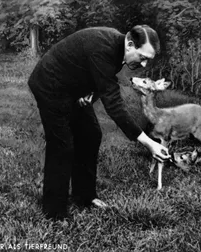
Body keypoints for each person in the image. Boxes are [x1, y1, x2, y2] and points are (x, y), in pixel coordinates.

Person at [28, 25, 171, 220]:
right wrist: (149, 143)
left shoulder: (118, 48)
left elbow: (98, 74)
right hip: (50, 86)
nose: (144, 65)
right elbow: (114, 105)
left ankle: (84, 197)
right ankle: (54, 211)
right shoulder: (105, 48)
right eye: (143, 57)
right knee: (62, 145)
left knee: (91, 135)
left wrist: (91, 92)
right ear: (130, 44)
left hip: (73, 88)